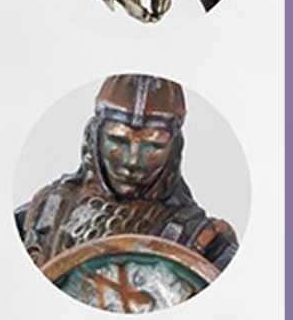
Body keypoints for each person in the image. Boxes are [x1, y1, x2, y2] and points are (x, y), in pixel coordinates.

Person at [16, 73, 238, 274]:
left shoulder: (208, 245)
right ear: (94, 137)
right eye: (118, 141)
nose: (132, 161)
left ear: (174, 148)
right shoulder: (43, 213)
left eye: (153, 146)